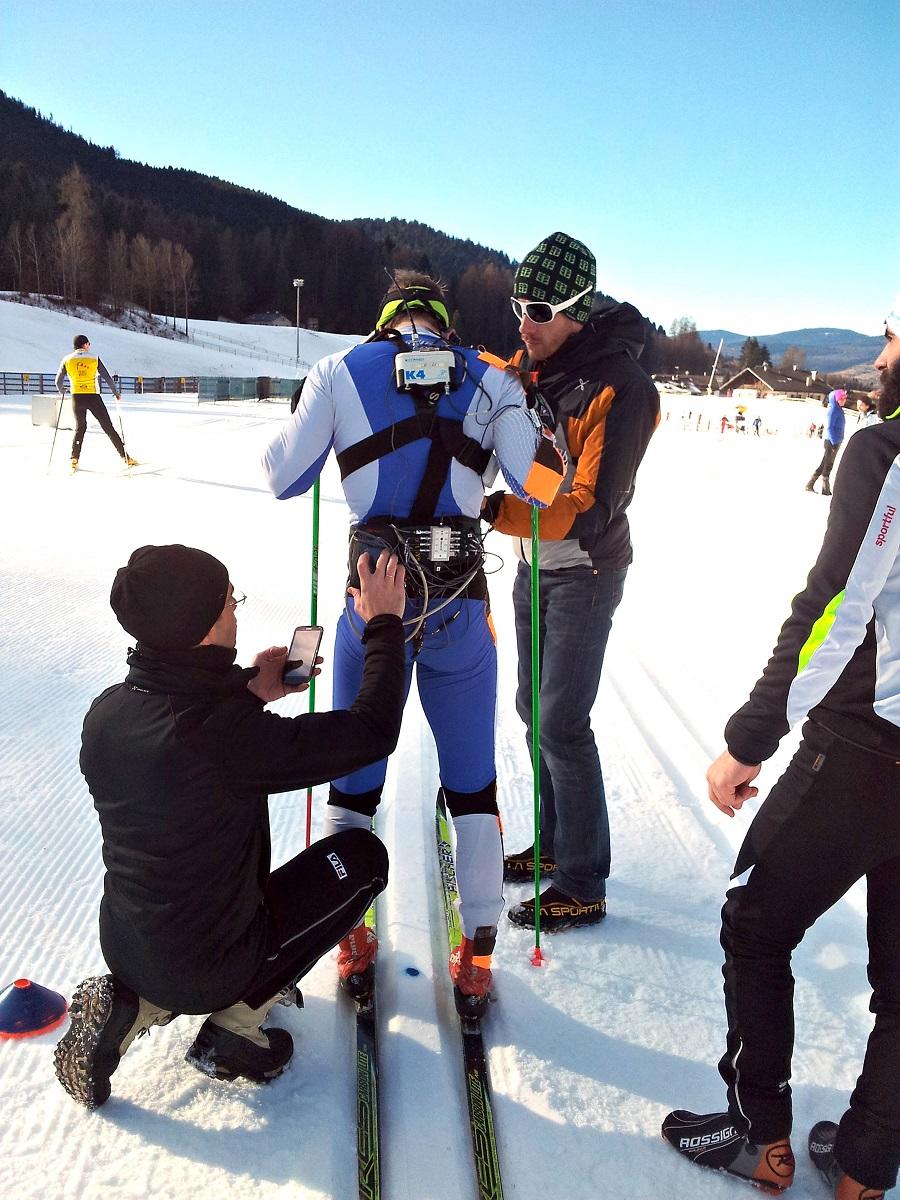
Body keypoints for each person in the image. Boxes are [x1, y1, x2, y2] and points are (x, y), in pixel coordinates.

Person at [262, 271, 564, 1017]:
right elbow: (545, 486)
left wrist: (316, 403)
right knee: (472, 789)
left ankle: (352, 935)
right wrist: (526, 403)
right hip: (461, 606)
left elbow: (282, 478)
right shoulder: (487, 379)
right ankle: (479, 955)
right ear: (442, 320)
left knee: (352, 785)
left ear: (385, 317)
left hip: (375, 608)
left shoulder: (340, 370)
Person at [662, 295, 900, 1199]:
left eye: (892, 334)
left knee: (755, 926)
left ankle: (760, 1133)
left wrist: (751, 735)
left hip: (865, 748)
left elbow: (836, 607)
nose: (881, 355)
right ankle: (869, 1167)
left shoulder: (886, 452)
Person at [54, 542, 407, 1109]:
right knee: (362, 859)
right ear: (199, 627)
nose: (237, 611)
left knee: (187, 895)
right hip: (213, 962)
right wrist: (385, 625)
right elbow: (371, 733)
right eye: (228, 602)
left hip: (128, 941)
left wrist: (252, 687)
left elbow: (185, 720)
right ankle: (236, 1025)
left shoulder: (108, 713)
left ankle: (135, 1004)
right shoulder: (224, 740)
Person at [481, 231, 660, 932]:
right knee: (534, 712)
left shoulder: (624, 388)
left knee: (561, 721)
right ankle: (556, 844)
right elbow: (483, 385)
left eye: (540, 309)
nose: (524, 322)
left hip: (585, 571)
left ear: (578, 311)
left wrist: (492, 513)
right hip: (535, 567)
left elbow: (591, 508)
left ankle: (585, 881)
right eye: (517, 305)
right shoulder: (536, 365)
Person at [55, 334, 138, 472]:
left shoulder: (67, 359)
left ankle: (74, 458)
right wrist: (116, 392)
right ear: (85, 345)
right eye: (88, 344)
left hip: (77, 397)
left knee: (80, 427)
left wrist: (62, 390)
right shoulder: (94, 358)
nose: (89, 346)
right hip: (93, 396)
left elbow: (58, 381)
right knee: (107, 427)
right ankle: (125, 457)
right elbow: (107, 377)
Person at [806, 389, 847, 494]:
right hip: (831, 442)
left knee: (825, 463)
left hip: (836, 441)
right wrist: (833, 442)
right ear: (836, 399)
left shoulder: (839, 410)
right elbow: (829, 427)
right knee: (828, 464)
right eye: (841, 398)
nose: (844, 400)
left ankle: (810, 484)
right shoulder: (833, 410)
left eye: (844, 398)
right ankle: (825, 489)